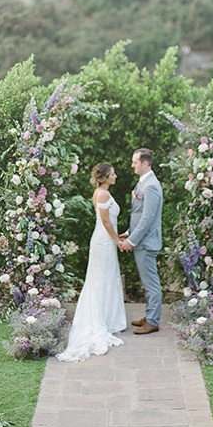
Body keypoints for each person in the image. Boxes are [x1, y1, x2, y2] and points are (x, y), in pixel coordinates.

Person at [56, 162, 126, 362]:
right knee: (101, 280)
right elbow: (105, 222)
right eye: (112, 174)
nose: (115, 176)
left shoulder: (100, 193)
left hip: (105, 240)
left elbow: (108, 222)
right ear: (104, 178)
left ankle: (108, 317)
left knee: (106, 278)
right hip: (104, 242)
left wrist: (116, 236)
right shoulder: (102, 194)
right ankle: (101, 319)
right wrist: (117, 240)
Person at [120, 148, 163, 334]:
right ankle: (150, 315)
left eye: (135, 162)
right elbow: (139, 215)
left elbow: (147, 218)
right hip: (141, 240)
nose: (132, 165)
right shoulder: (143, 182)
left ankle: (153, 321)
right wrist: (128, 233)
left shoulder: (151, 185)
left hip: (146, 242)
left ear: (145, 163)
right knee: (148, 282)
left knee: (151, 283)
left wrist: (132, 240)